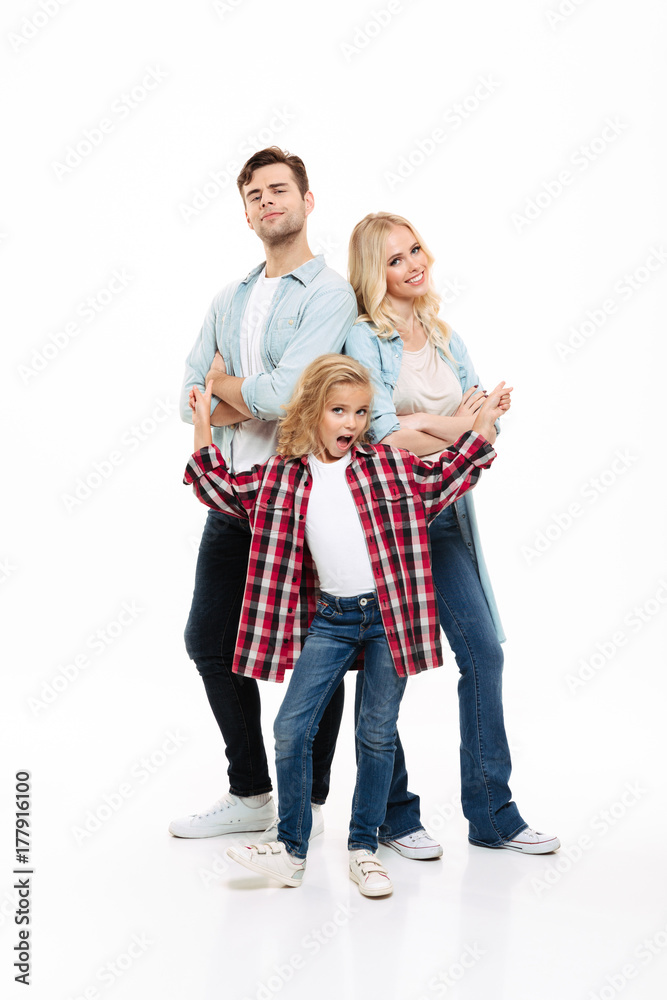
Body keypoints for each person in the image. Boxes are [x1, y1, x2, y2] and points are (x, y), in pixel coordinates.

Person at [184, 355, 508, 895]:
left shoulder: (386, 465)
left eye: (361, 412)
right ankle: (291, 848)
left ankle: (363, 847)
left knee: (375, 734)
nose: (352, 423)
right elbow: (216, 488)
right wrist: (202, 422)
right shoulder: (282, 479)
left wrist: (482, 426)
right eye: (339, 410)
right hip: (331, 621)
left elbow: (448, 476)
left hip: (387, 618)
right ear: (312, 411)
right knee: (291, 728)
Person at [344, 212, 560, 854]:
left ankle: (493, 819)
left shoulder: (444, 335)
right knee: (386, 670)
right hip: (389, 524)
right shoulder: (363, 339)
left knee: (484, 654)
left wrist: (463, 424)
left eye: (416, 250)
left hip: (445, 519)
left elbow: (485, 433)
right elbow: (379, 433)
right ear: (370, 273)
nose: (414, 264)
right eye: (394, 259)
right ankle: (394, 818)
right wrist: (458, 427)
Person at [170, 148, 357, 840]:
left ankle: (302, 796)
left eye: (278, 189)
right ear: (245, 212)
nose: (265, 202)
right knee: (207, 640)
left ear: (308, 200)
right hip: (232, 496)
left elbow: (291, 395)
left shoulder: (330, 295)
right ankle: (250, 792)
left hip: (299, 497)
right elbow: (185, 394)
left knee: (318, 648)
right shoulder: (229, 298)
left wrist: (225, 390)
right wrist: (238, 396)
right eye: (253, 195)